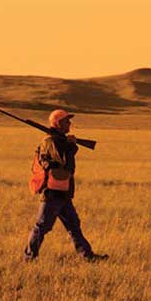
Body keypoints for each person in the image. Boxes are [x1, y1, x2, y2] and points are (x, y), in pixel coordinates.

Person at [25, 109, 105, 261]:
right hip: (53, 192)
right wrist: (72, 146)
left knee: (73, 225)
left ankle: (87, 256)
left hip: (62, 191)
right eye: (66, 121)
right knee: (42, 226)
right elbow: (65, 163)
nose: (70, 123)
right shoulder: (51, 141)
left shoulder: (58, 139)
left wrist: (69, 143)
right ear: (58, 123)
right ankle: (29, 257)